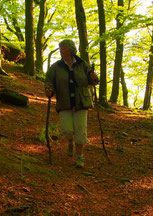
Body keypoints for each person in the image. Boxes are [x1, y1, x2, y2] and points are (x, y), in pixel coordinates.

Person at [45, 39, 99, 168]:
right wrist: (49, 89)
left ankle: (79, 156)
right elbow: (48, 80)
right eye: (60, 48)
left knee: (81, 130)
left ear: (70, 49)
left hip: (81, 101)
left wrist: (94, 77)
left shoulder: (82, 64)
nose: (61, 51)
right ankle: (70, 141)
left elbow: (93, 80)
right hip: (64, 101)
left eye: (63, 48)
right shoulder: (56, 66)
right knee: (67, 129)